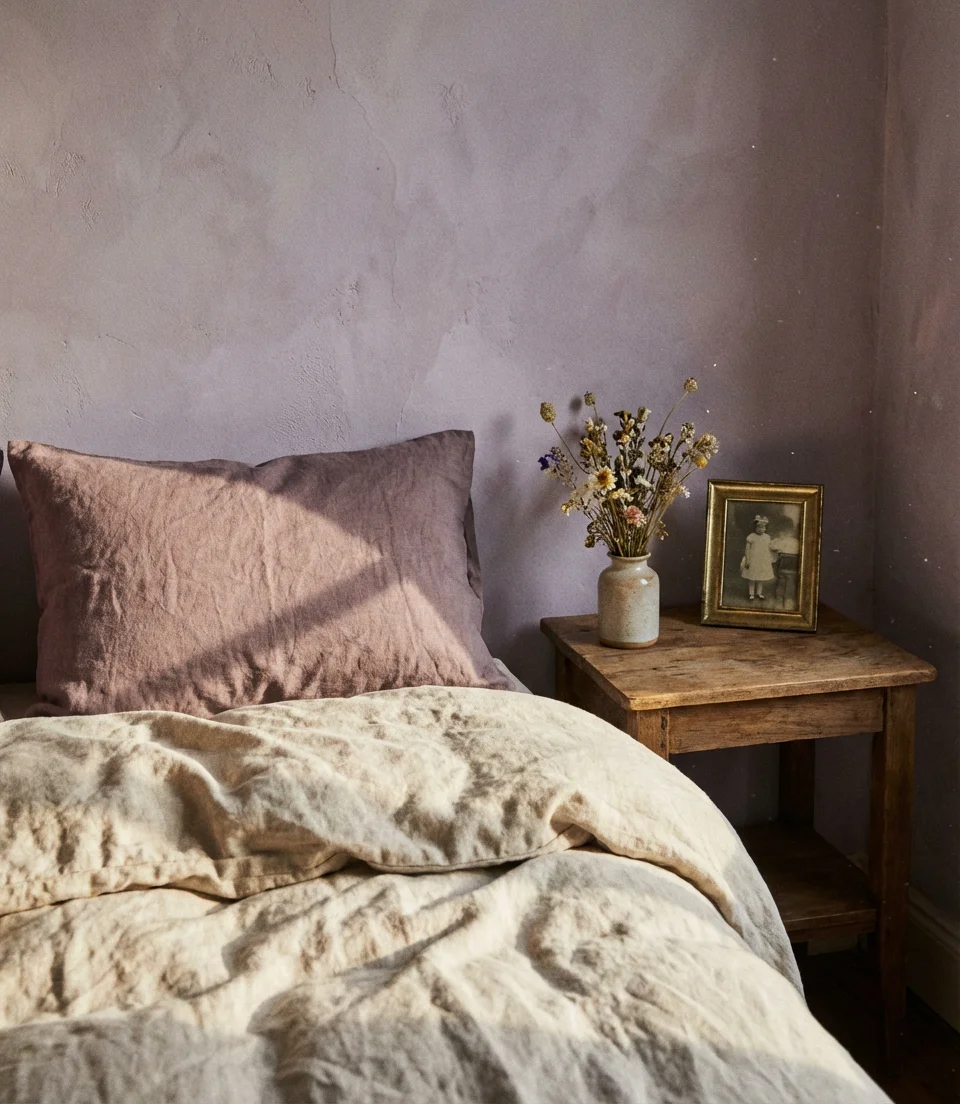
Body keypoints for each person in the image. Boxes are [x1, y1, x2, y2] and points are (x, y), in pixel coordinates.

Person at [740, 515, 776, 600]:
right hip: (753, 559)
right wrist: (747, 559)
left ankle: (759, 593)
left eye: (763, 527)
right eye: (759, 527)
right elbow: (747, 549)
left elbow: (769, 548)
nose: (761, 529)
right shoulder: (751, 536)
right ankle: (751, 594)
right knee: (752, 577)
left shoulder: (767, 537)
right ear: (755, 528)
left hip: (762, 559)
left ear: (765, 528)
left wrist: (772, 554)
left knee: (761, 578)